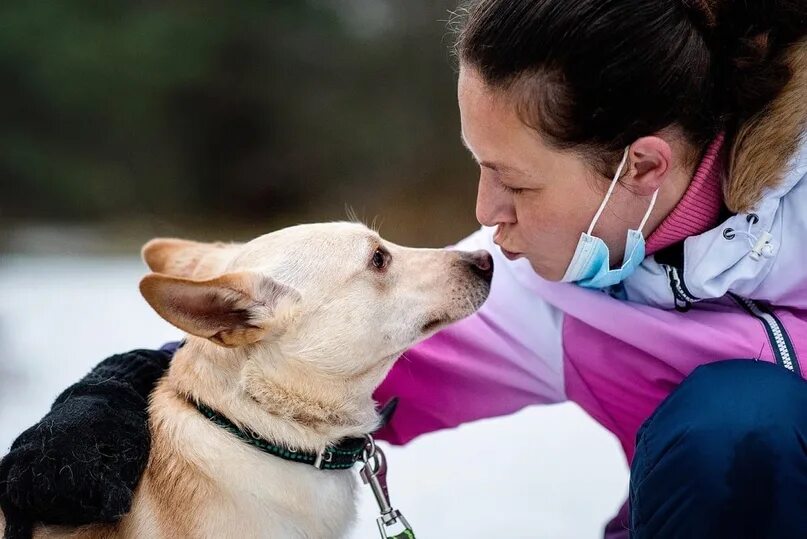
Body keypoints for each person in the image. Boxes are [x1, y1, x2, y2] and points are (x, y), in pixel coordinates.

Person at [3, 1, 807, 537]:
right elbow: (320, 360)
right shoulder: (550, 284)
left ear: (641, 167)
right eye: (478, 166)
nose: (485, 213)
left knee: (737, 429)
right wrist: (128, 393)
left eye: (516, 181)